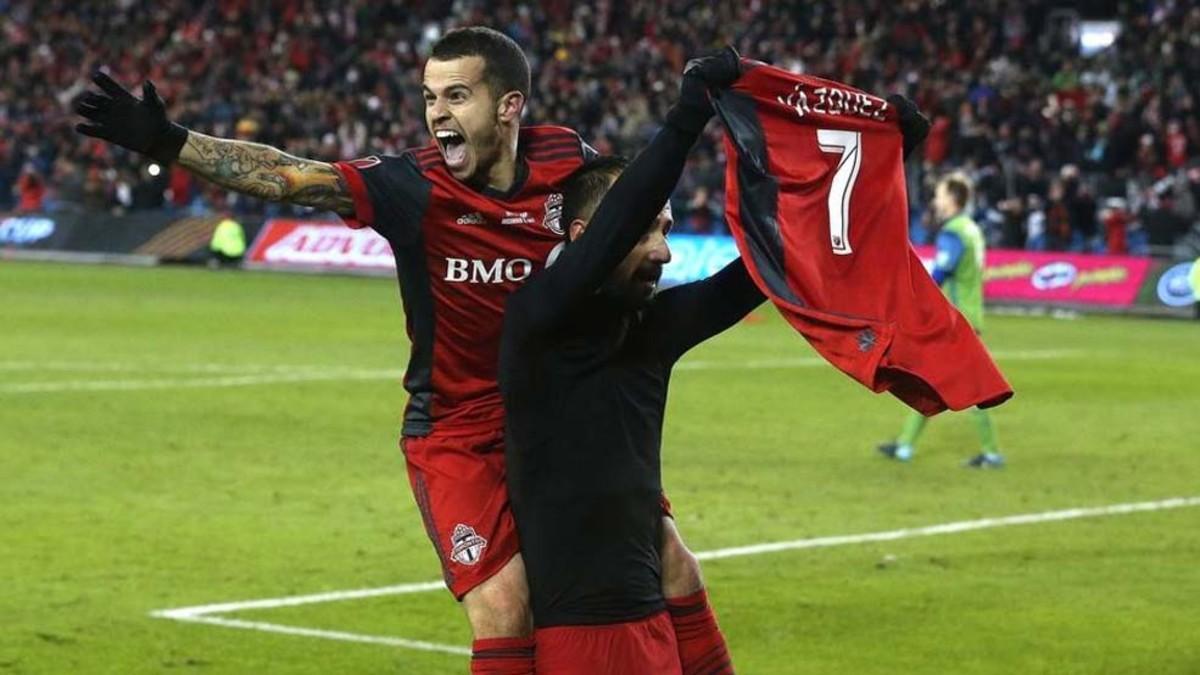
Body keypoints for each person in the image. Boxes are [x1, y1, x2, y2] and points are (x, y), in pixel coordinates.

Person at [73, 25, 712, 674]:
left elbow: (629, 205)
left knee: (672, 564)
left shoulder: (567, 158)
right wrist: (170, 140)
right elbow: (292, 178)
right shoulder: (413, 186)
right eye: (430, 97)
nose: (437, 112)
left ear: (509, 106)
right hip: (460, 430)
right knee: (505, 605)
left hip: (563, 410)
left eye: (457, 95)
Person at [499, 48, 751, 674]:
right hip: (580, 644)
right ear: (585, 238)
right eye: (646, 231)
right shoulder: (540, 320)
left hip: (657, 634)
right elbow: (620, 220)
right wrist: (688, 116)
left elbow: (758, 276)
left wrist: (853, 178)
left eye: (665, 229)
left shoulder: (647, 329)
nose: (664, 252)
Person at [878, 173, 1004, 467]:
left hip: (957, 319)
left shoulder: (953, 233)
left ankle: (991, 452)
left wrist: (913, 297)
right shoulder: (972, 229)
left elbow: (940, 273)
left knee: (970, 386)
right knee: (931, 378)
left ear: (953, 199)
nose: (936, 199)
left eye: (940, 194)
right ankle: (904, 445)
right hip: (971, 314)